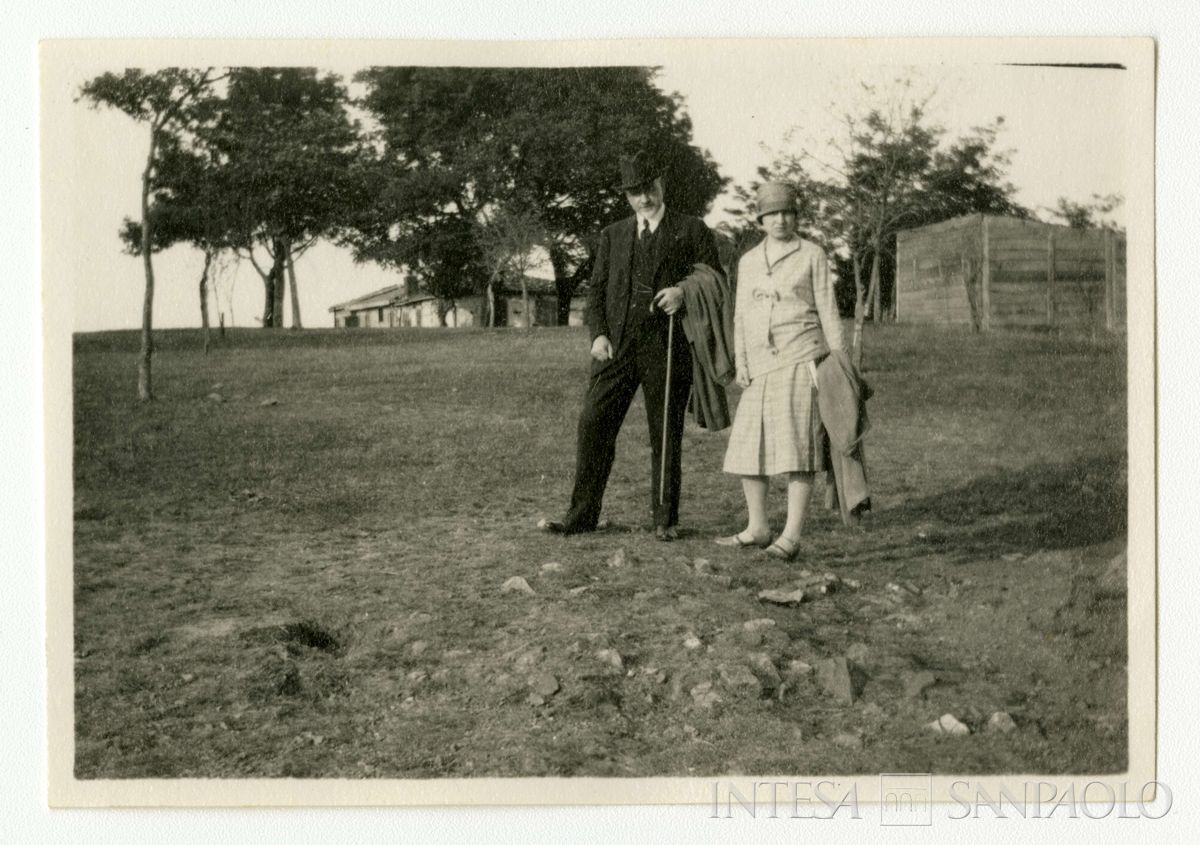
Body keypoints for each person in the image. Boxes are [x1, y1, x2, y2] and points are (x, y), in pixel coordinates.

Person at [539, 150, 723, 541]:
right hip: (616, 348)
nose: (644, 199)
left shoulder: (691, 229)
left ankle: (664, 519)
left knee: (665, 433)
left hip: (669, 347)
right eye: (635, 193)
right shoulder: (613, 235)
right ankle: (581, 516)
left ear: (661, 184)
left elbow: (713, 279)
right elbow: (598, 290)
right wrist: (599, 335)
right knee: (592, 423)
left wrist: (683, 292)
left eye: (649, 189)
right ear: (627, 196)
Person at [716, 182, 847, 560]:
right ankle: (758, 527)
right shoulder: (749, 261)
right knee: (748, 447)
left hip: (799, 358)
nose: (781, 220)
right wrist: (741, 360)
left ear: (796, 216)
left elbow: (828, 309)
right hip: (759, 366)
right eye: (772, 214)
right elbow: (741, 315)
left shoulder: (812, 254)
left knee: (795, 449)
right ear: (760, 219)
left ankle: (791, 536)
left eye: (787, 212)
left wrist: (839, 362)